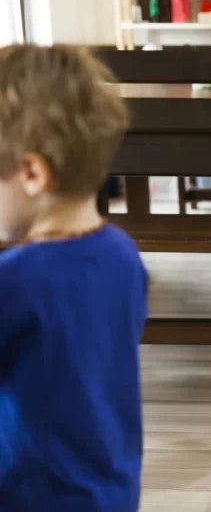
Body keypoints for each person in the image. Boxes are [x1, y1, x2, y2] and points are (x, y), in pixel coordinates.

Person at [0, 44, 147, 511]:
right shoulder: (123, 254)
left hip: (33, 496)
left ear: (31, 172)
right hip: (111, 488)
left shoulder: (16, 281)